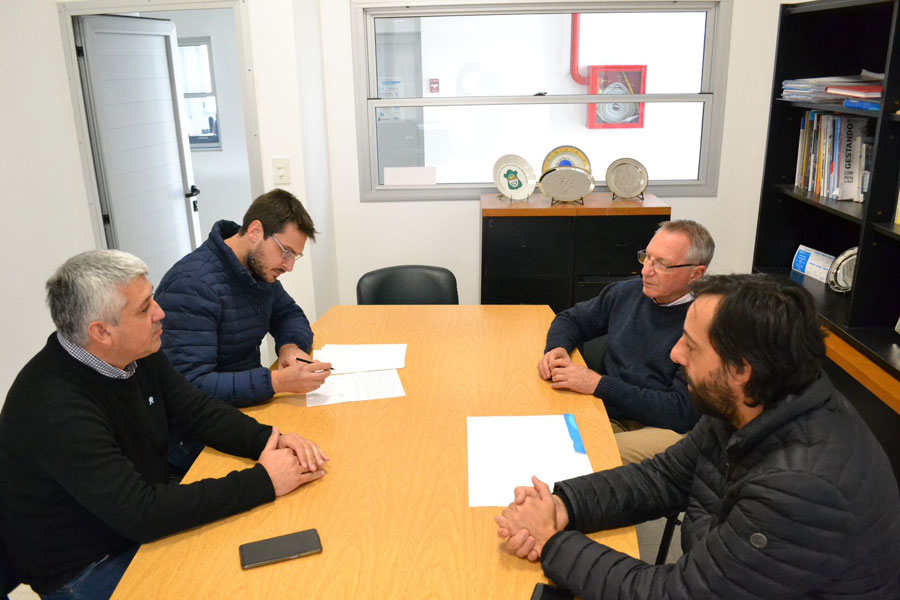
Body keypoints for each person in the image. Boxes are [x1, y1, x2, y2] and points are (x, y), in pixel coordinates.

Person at [497, 274, 900, 599]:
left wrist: (552, 542)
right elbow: (663, 477)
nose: (675, 354)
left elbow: (676, 592)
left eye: (690, 345)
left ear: (741, 369)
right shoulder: (746, 403)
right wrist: (563, 504)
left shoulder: (801, 489)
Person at [0, 250, 329, 599]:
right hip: (88, 566)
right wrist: (263, 481)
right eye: (144, 308)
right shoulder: (54, 406)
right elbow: (142, 513)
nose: (160, 313)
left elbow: (195, 410)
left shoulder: (137, 352)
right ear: (101, 332)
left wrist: (268, 439)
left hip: (133, 527)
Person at [156, 189, 331, 471]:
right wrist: (277, 382)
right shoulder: (192, 285)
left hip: (245, 413)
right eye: (285, 251)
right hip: (197, 439)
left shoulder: (257, 270)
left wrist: (290, 347)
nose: (288, 266)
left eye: (294, 257)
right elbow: (189, 388)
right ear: (255, 230)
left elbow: (288, 314)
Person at [538, 220, 714, 464]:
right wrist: (558, 347)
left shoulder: (707, 322)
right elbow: (572, 319)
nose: (646, 271)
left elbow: (680, 411)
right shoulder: (628, 292)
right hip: (610, 408)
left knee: (580, 457)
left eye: (662, 264)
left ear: (696, 274)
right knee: (540, 435)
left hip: (662, 427)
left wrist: (599, 385)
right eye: (647, 257)